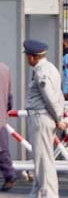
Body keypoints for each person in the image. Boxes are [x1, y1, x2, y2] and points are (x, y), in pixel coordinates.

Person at [24, 40, 68, 198]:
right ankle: (38, 191)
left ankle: (48, 194)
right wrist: (60, 115)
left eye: (27, 56)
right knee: (42, 158)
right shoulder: (51, 68)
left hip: (41, 117)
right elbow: (59, 96)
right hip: (45, 117)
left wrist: (59, 118)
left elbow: (49, 97)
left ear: (32, 57)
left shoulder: (41, 71)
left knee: (43, 160)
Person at [0, 61, 15, 191]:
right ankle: (9, 176)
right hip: (1, 117)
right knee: (2, 149)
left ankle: (10, 176)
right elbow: (10, 97)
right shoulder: (5, 68)